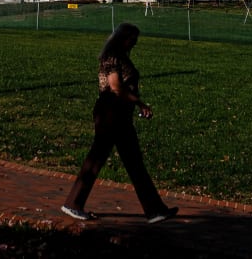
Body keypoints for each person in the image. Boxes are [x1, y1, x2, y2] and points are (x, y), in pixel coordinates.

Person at [62, 23, 178, 224]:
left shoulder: (120, 56)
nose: (134, 43)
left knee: (132, 162)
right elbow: (115, 87)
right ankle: (73, 203)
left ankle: (155, 210)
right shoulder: (112, 58)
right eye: (132, 39)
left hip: (120, 114)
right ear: (122, 38)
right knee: (100, 160)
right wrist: (139, 102)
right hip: (111, 113)